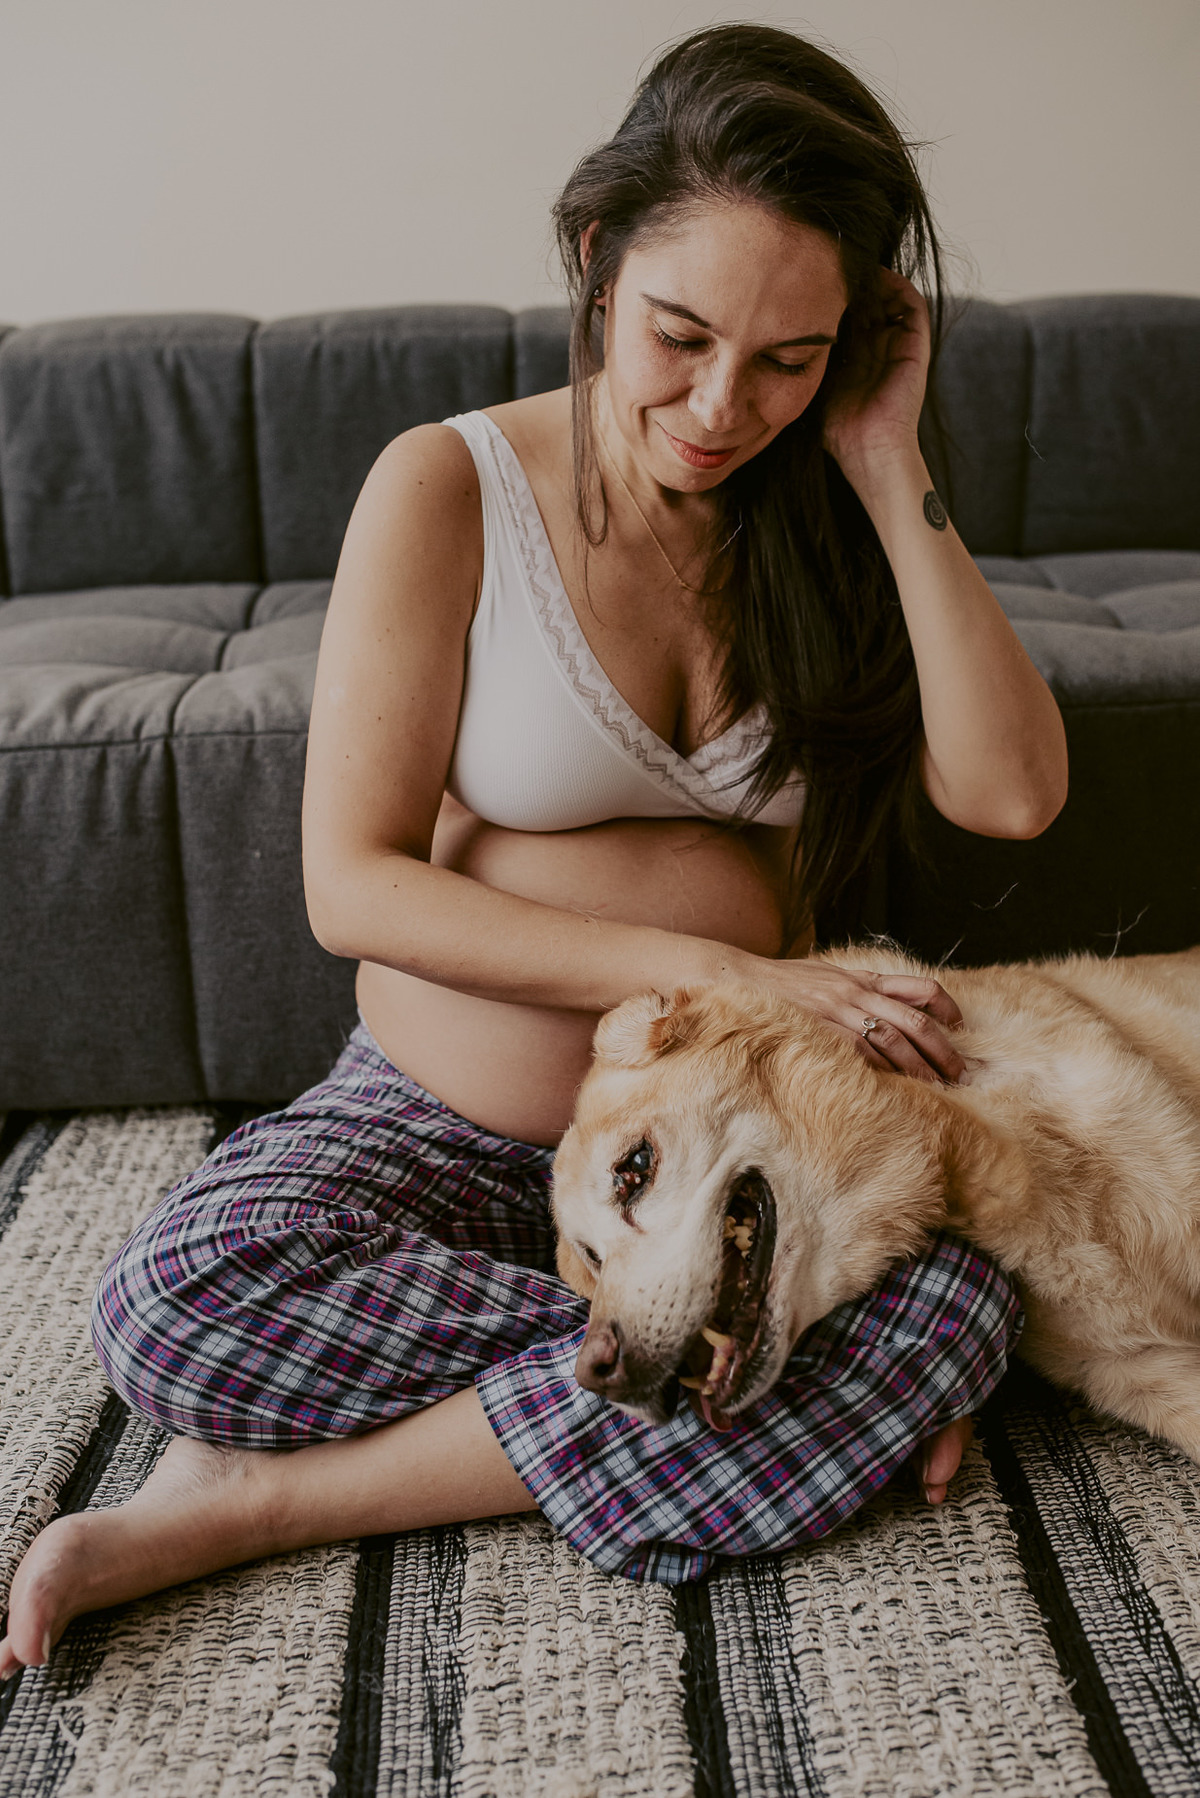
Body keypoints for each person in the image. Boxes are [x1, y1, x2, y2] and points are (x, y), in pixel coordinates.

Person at [0, 23, 1065, 1677]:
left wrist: (883, 457)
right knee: (178, 1297)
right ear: (595, 258)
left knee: (970, 1300)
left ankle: (259, 1505)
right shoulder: (446, 488)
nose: (724, 406)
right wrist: (716, 966)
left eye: (791, 359)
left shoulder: (833, 499)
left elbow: (1013, 793)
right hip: (437, 1127)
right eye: (680, 334)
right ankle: (764, 1389)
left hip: (740, 1167)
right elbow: (350, 882)